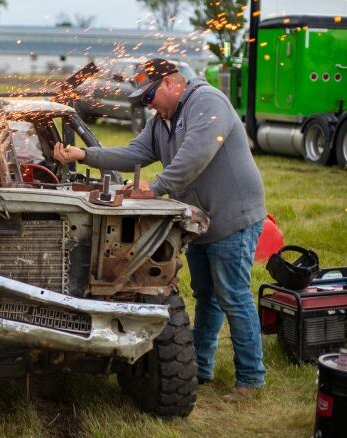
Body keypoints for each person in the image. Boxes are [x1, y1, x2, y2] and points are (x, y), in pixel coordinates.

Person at [54, 58, 267, 401]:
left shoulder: (207, 102)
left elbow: (197, 154)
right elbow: (132, 153)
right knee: (206, 297)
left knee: (233, 297)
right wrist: (84, 153)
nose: (149, 105)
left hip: (232, 218)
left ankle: (251, 380)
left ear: (170, 83)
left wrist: (156, 187)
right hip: (200, 221)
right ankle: (201, 367)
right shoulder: (162, 122)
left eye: (150, 97)